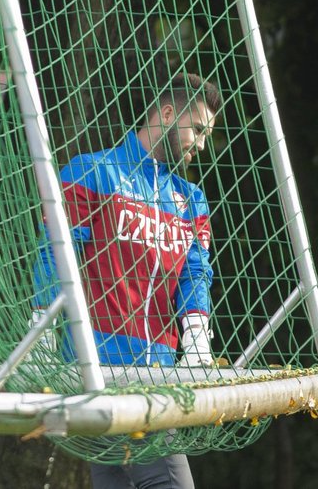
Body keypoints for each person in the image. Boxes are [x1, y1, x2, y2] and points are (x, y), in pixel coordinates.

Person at [34, 73, 223, 489]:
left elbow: (195, 275)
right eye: (198, 130)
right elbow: (55, 256)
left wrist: (196, 343)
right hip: (96, 373)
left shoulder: (191, 199)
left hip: (159, 378)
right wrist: (42, 334)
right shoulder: (91, 172)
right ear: (168, 113)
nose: (203, 145)